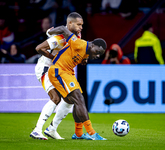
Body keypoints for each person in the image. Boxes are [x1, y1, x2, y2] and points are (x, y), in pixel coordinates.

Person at [30, 12, 86, 140]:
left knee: (70, 99)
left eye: (82, 25)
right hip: (46, 68)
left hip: (59, 71)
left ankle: (52, 129)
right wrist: (55, 58)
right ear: (70, 23)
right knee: (55, 98)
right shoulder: (59, 38)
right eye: (78, 24)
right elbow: (39, 48)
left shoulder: (76, 36)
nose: (81, 27)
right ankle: (37, 130)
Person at [45, 25, 107, 140]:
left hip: (68, 73)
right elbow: (64, 30)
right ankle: (91, 133)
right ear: (92, 44)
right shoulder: (80, 43)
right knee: (79, 99)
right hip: (59, 70)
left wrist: (85, 58)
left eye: (100, 55)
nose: (97, 55)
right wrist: (50, 32)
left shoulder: (87, 51)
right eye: (97, 52)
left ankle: (78, 134)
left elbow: (83, 54)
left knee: (75, 101)